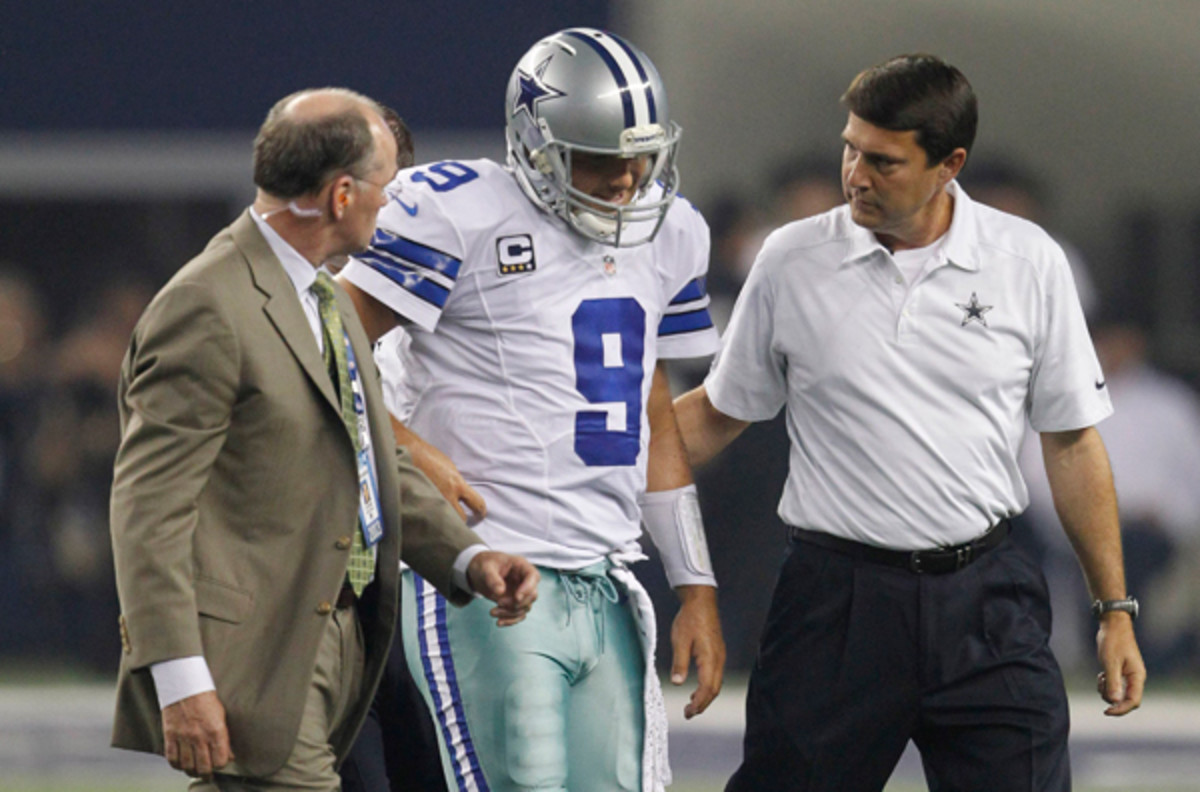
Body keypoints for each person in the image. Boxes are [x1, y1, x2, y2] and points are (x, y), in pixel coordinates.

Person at [674, 54, 1146, 791]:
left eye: (883, 161)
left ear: (949, 164)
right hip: (835, 603)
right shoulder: (790, 259)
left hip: (986, 601)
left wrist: (1114, 609)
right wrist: (586, 454)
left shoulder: (1029, 262)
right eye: (850, 149)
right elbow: (716, 414)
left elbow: (1073, 441)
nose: (856, 174)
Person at [108, 87, 539, 791]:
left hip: (350, 634)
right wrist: (179, 674)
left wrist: (468, 561)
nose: (392, 203)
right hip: (260, 652)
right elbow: (147, 509)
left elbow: (370, 460)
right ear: (341, 195)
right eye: (387, 186)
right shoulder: (208, 305)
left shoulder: (325, 298)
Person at [336, 28, 726, 792]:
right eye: (601, 159)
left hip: (605, 577)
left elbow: (652, 409)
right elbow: (325, 350)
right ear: (535, 143)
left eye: (639, 158)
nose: (624, 180)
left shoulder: (673, 231)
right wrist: (407, 447)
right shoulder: (457, 211)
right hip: (487, 574)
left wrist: (696, 585)